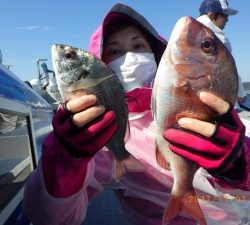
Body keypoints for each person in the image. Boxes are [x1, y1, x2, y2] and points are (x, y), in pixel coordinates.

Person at [22, 3, 250, 225]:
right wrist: (66, 158)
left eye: (139, 46)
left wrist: (239, 164)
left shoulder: (213, 103)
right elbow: (49, 219)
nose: (129, 57)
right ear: (101, 65)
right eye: (115, 51)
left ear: (157, 53)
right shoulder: (103, 138)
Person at [197, 0, 247, 107]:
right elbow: (227, 68)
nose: (227, 20)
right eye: (224, 15)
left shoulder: (193, 35)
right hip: (222, 104)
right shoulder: (219, 39)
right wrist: (241, 93)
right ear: (211, 15)